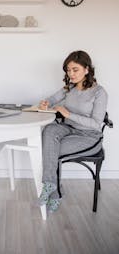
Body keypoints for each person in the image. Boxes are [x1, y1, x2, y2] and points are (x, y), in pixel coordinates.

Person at [38, 50, 108, 212]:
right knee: (49, 130)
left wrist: (68, 114)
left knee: (50, 150)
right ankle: (51, 187)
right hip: (68, 129)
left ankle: (54, 193)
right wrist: (45, 103)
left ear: (87, 69)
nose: (71, 74)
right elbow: (52, 99)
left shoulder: (99, 93)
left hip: (89, 136)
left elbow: (96, 124)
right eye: (68, 70)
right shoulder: (69, 88)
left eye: (75, 69)